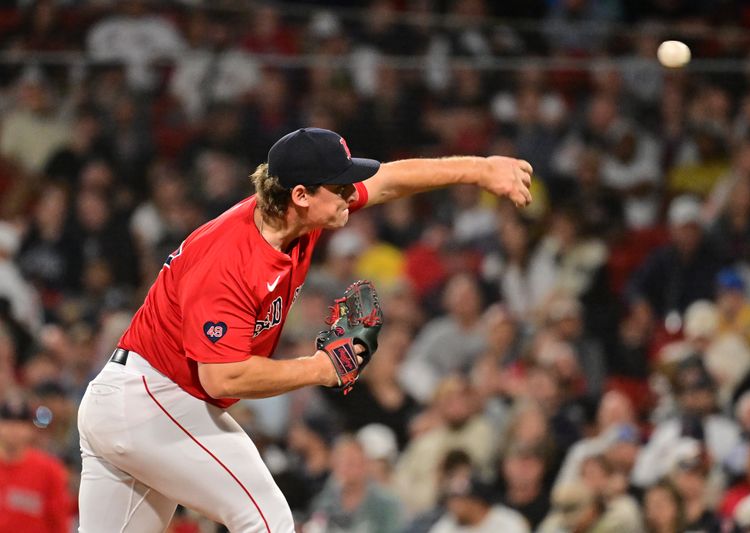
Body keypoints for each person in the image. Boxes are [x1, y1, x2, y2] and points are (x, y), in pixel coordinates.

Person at [76, 127, 533, 532]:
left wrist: (480, 168)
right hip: (152, 398)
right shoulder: (230, 259)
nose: (350, 191)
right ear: (300, 195)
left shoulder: (299, 216)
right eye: (339, 185)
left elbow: (389, 179)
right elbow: (223, 376)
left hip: (133, 402)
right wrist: (319, 369)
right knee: (267, 518)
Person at [0, 396, 71, 533]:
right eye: (7, 422)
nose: (13, 429)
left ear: (30, 429)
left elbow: (59, 521)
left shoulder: (49, 470)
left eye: (20, 423)